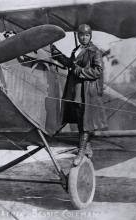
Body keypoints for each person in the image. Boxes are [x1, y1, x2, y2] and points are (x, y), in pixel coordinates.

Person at [51, 24, 107, 166]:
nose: (84, 37)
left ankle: (81, 152)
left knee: (85, 123)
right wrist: (55, 52)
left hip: (86, 91)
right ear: (78, 36)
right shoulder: (76, 50)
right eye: (81, 35)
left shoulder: (95, 51)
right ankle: (87, 146)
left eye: (87, 35)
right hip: (74, 90)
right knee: (78, 119)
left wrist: (80, 72)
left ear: (90, 36)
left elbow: (98, 71)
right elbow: (70, 64)